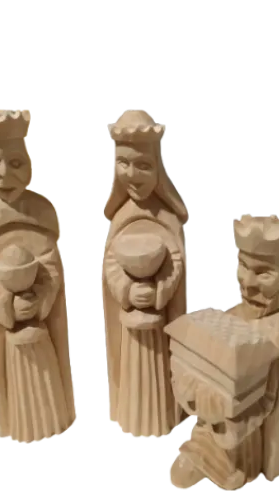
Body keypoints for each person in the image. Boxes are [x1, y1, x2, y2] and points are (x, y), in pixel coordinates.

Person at [170, 214, 279, 490]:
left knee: (190, 469)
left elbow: (268, 402)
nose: (249, 282)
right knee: (183, 469)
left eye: (263, 272)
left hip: (243, 439)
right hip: (215, 421)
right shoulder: (232, 315)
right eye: (242, 265)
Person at [0, 108, 76, 442]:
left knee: (49, 365)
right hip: (10, 323)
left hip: (40, 318)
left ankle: (58, 417)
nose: (3, 173)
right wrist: (6, 303)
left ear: (28, 161)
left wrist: (40, 296)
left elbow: (51, 264)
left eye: (15, 162)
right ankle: (17, 423)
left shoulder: (43, 210)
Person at [101, 109, 188, 437]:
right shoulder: (120, 217)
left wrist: (160, 290)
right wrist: (127, 290)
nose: (132, 175)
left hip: (161, 320)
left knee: (161, 370)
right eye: (123, 163)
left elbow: (176, 262)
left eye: (144, 165)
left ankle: (166, 410)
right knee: (132, 372)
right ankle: (130, 411)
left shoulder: (168, 217)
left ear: (158, 168)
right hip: (130, 321)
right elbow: (111, 264)